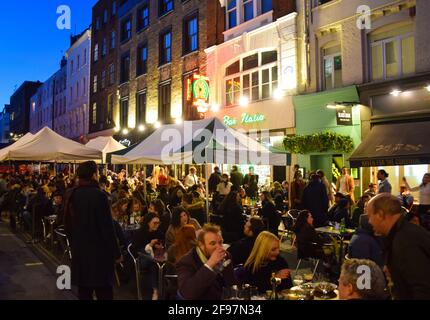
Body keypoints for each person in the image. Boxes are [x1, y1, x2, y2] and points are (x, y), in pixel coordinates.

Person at [64, 161, 121, 300]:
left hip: (80, 252)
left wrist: (74, 243)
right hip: (99, 255)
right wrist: (116, 252)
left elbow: (67, 224)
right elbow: (107, 228)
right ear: (94, 175)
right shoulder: (99, 196)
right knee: (104, 292)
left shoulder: (71, 194)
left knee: (84, 292)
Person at [367, 193, 430, 299]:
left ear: (380, 214)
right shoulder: (402, 234)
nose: (369, 221)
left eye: (369, 216)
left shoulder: (406, 241)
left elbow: (423, 290)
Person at [176, 224, 237, 300]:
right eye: (213, 243)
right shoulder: (187, 262)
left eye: (220, 242)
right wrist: (210, 264)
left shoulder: (226, 255)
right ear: (201, 245)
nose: (218, 247)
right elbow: (188, 293)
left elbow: (231, 285)